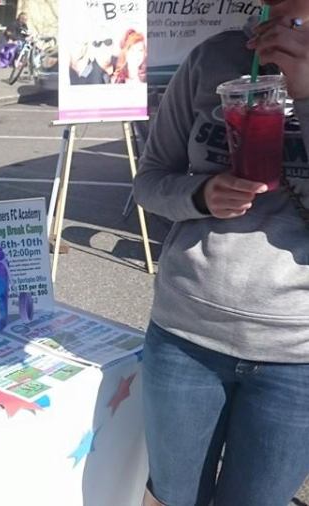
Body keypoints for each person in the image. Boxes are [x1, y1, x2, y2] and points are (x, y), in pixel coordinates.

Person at [134, 1, 309, 504]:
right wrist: (199, 195)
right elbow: (148, 181)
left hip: (296, 356)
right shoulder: (213, 58)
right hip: (185, 336)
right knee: (171, 496)